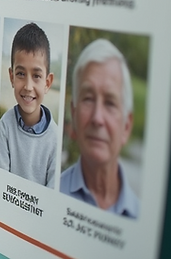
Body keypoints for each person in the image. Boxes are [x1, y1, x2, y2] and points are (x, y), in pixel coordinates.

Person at [61, 39, 140, 218]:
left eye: (110, 103)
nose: (97, 118)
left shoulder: (140, 218)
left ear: (126, 127)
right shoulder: (51, 192)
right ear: (74, 115)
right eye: (88, 99)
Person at [0, 23, 60, 187]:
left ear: (48, 82)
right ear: (11, 77)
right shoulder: (4, 127)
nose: (28, 86)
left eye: (36, 76)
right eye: (21, 74)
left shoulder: (55, 139)